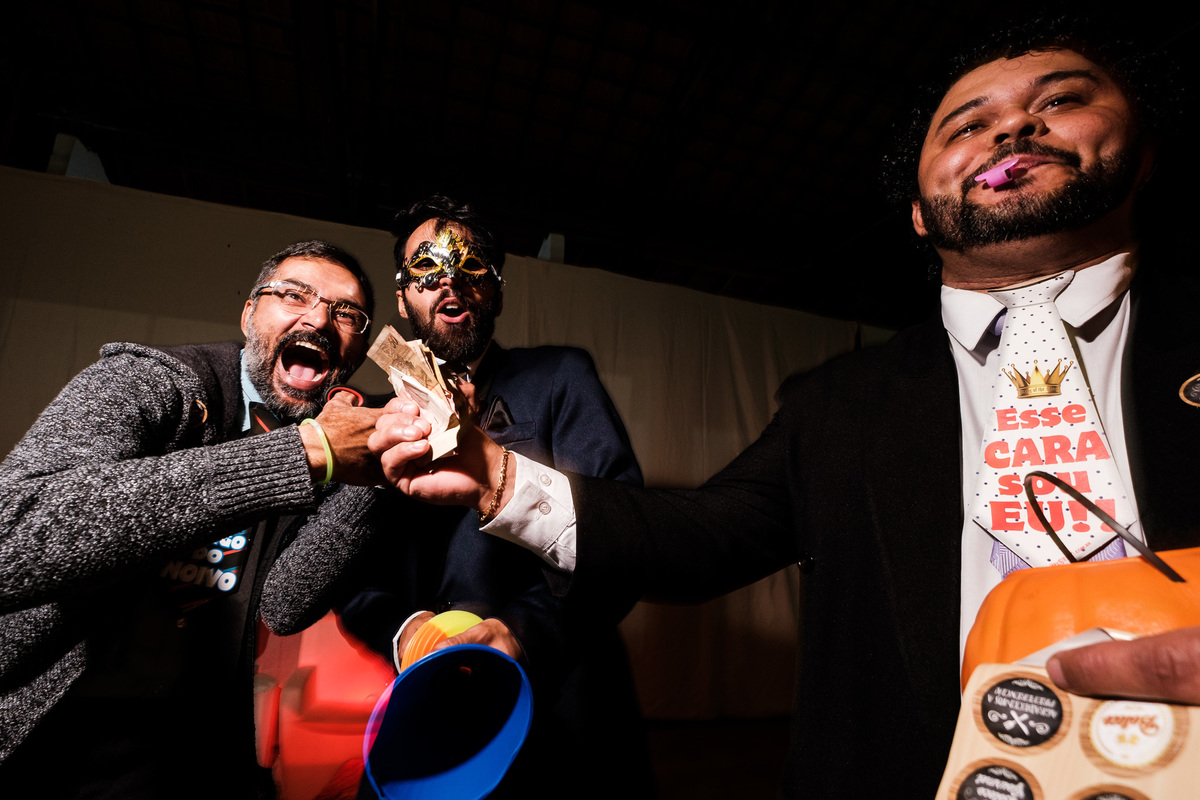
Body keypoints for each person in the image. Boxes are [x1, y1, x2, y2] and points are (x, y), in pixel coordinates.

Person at [369, 20, 1200, 798]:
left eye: (1059, 100)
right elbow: (697, 538)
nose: (1014, 130)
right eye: (967, 126)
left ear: (1146, 151)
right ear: (918, 210)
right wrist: (500, 480)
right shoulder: (836, 403)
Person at [0, 240, 388, 799]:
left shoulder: (309, 435)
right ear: (250, 313)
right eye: (294, 295)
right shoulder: (153, 381)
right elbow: (12, 537)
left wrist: (370, 477)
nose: (320, 318)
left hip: (180, 750)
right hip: (45, 734)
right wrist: (299, 456)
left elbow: (285, 602)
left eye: (346, 313)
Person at [337, 195, 656, 798]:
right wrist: (408, 633)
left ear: (498, 293)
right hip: (429, 714)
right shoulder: (372, 420)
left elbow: (623, 532)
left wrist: (521, 632)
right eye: (426, 271)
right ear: (403, 297)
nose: (450, 280)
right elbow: (348, 575)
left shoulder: (561, 376)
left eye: (471, 265)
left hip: (564, 709)